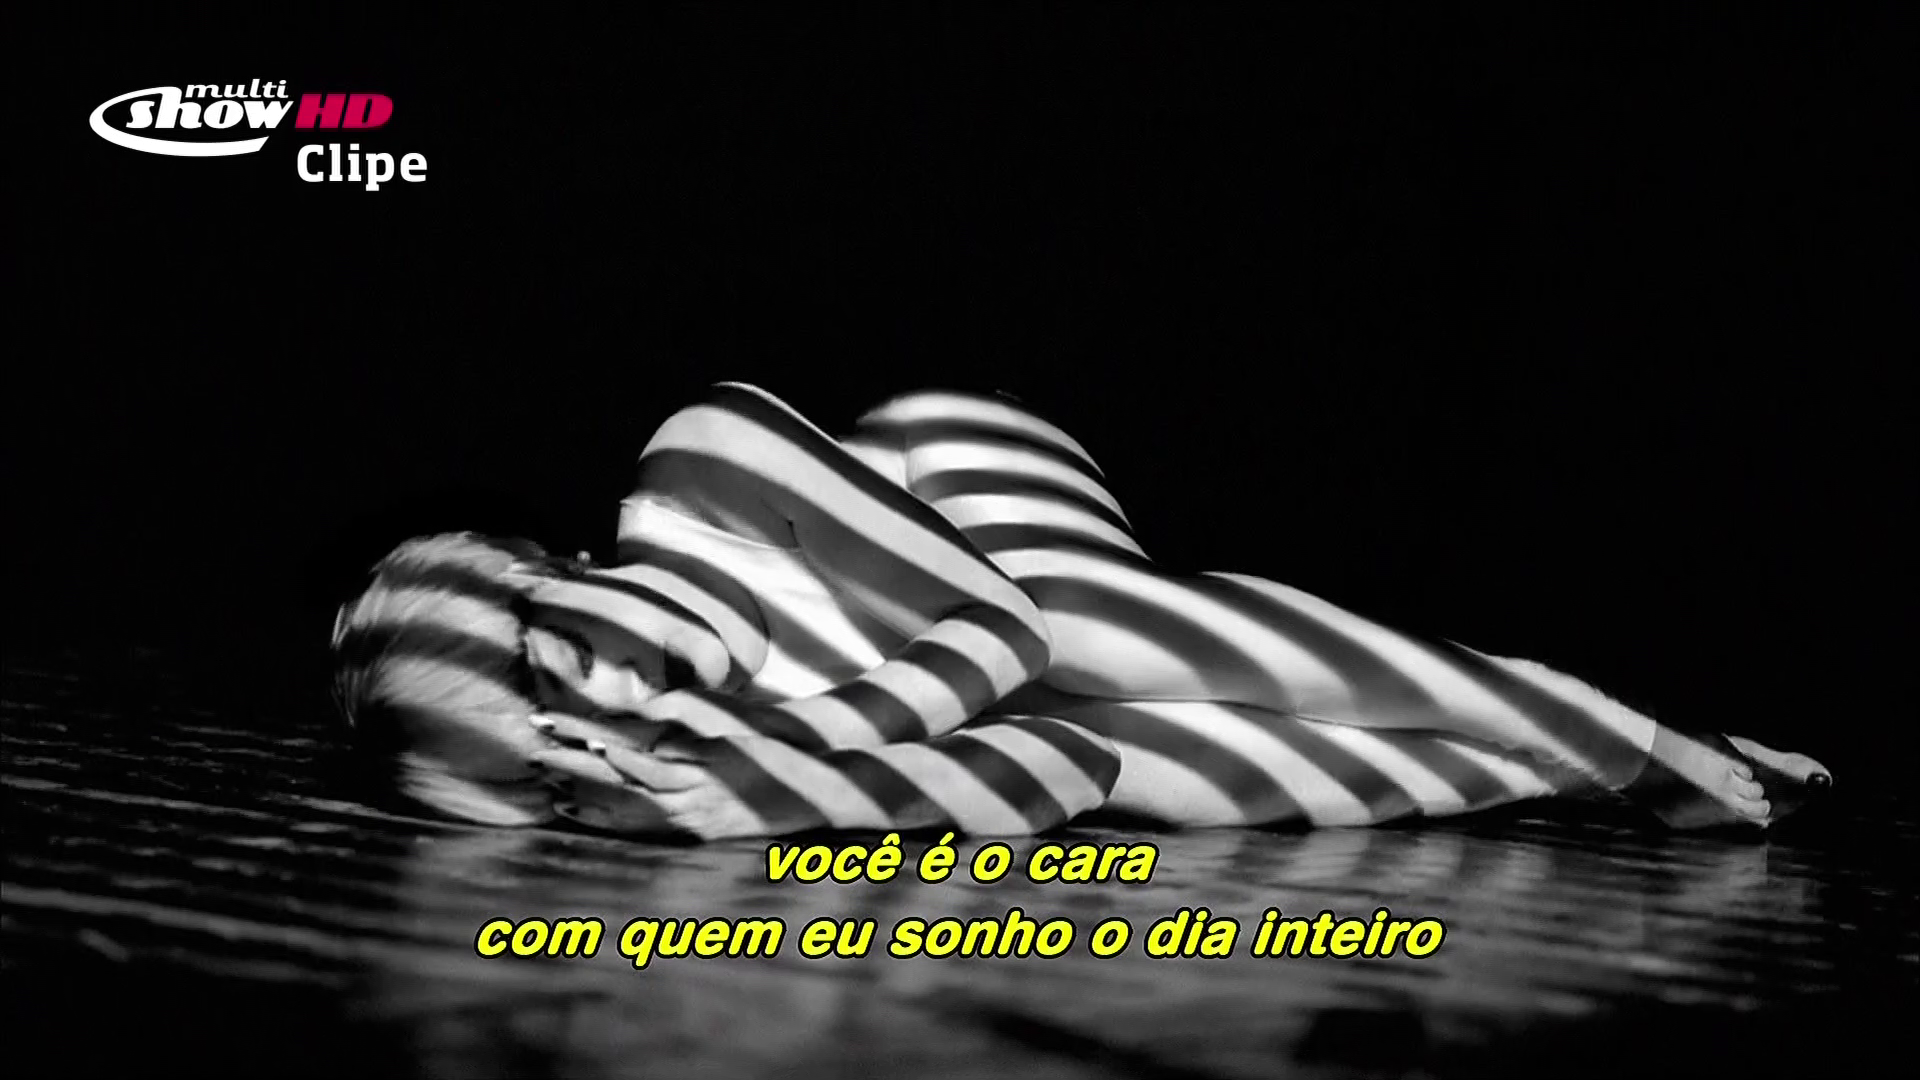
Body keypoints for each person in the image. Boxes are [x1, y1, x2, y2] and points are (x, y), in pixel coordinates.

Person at [331, 383, 1831, 840]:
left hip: (963, 492)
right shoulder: (680, 760)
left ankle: (1625, 731)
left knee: (1080, 621)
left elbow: (1004, 631)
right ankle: (1591, 766)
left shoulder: (698, 462)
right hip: (983, 676)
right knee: (1142, 766)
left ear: (550, 570)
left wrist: (820, 750)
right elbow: (1064, 765)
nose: (607, 709)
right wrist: (776, 806)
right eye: (553, 756)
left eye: (553, 660)